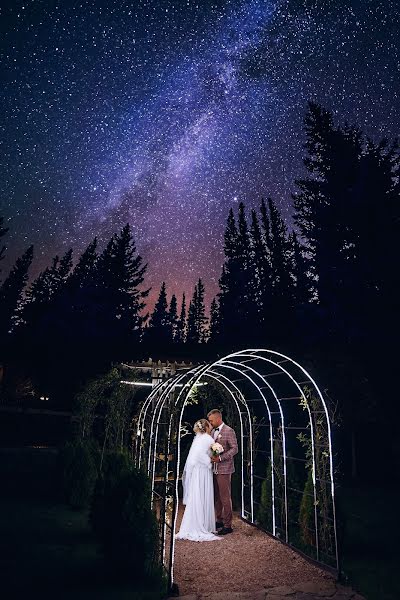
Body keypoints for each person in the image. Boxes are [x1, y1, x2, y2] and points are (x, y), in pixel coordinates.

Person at [175, 418, 222, 542]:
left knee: (197, 495)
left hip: (198, 471)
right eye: (209, 424)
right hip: (203, 471)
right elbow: (199, 455)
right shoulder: (207, 438)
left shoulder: (199, 438)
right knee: (202, 494)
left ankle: (201, 522)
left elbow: (195, 456)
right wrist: (210, 460)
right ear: (206, 427)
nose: (211, 426)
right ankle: (202, 525)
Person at [207, 409, 238, 535]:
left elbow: (234, 449)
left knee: (225, 497)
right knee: (217, 496)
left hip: (224, 469)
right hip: (214, 469)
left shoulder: (229, 431)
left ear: (218, 419)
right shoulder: (213, 431)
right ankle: (219, 520)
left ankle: (227, 525)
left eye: (211, 420)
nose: (210, 422)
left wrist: (220, 457)